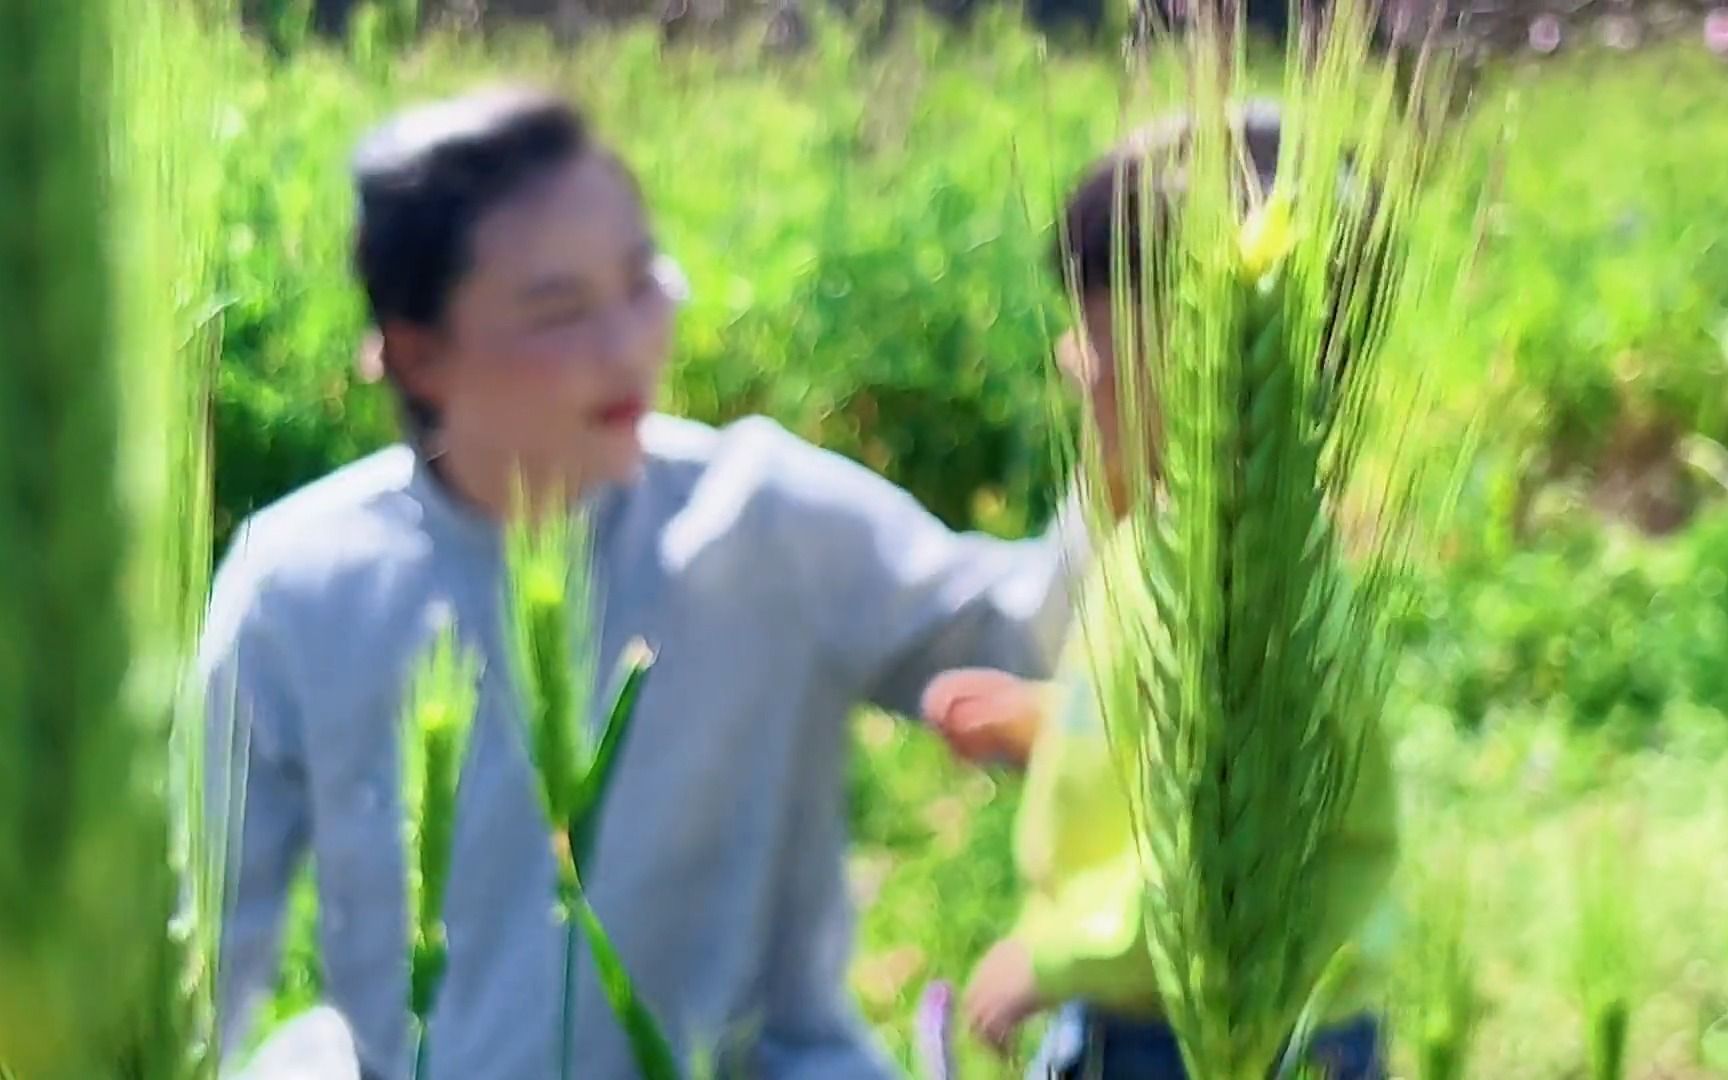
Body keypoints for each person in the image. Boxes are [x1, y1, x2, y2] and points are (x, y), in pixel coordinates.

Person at [200, 86, 1095, 1080]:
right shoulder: (303, 584)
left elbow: (1030, 640)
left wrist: (1141, 441)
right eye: (559, 311)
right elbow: (201, 948)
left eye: (641, 280)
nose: (628, 343)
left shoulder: (764, 518)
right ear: (419, 355)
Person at [921, 102, 1401, 1079]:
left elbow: (1242, 857)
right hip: (1155, 1011)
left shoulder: (1253, 594)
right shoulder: (1157, 548)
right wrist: (1047, 725)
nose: (1068, 360)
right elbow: (1183, 752)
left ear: (1205, 366)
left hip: (1227, 1031)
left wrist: (1057, 956)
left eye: (1095, 338)